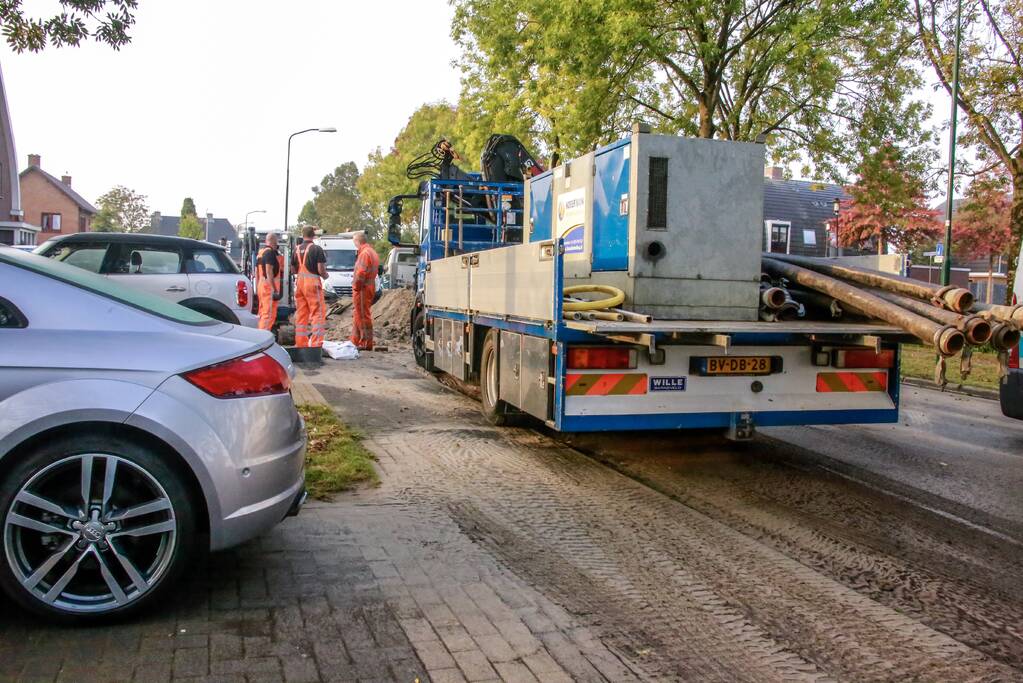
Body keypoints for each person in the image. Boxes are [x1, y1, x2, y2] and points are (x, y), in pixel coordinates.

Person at [293, 226, 327, 347]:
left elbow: (293, 269)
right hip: (312, 284)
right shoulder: (316, 249)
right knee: (318, 314)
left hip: (300, 284)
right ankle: (316, 344)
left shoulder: (296, 249)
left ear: (303, 235)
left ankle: (301, 343)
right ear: (314, 235)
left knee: (302, 314)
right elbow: (321, 269)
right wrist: (326, 276)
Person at [351, 231, 380, 350]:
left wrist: (356, 287)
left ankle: (366, 342)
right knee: (359, 314)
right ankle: (355, 341)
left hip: (362, 289)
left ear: (357, 241)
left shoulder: (364, 253)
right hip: (368, 287)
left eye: (354, 241)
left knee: (363, 315)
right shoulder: (371, 252)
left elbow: (361, 273)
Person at [255, 233, 284, 331]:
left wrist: (257, 287)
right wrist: (274, 289)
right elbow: (268, 271)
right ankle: (263, 336)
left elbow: (256, 272)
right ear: (275, 242)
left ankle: (261, 333)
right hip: (268, 288)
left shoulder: (260, 253)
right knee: (268, 315)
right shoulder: (270, 253)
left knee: (263, 313)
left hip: (262, 286)